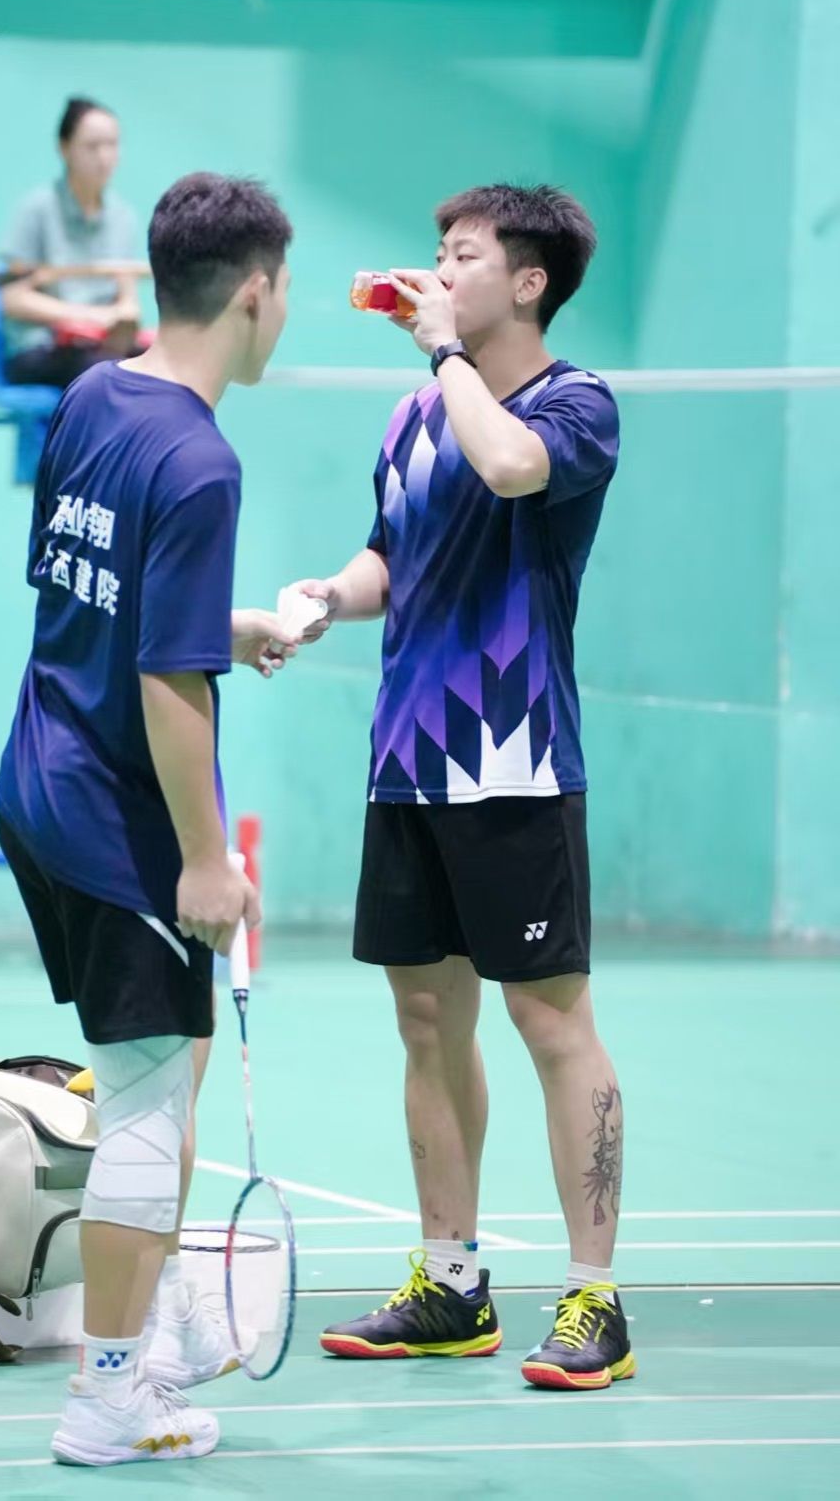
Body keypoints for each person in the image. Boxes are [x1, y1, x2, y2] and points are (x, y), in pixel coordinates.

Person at [297, 184, 632, 1391]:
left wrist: (445, 354)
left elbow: (511, 468)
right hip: (408, 758)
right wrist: (323, 600)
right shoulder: (410, 416)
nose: (436, 271)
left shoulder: (574, 404)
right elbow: (392, 553)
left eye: (464, 255)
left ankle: (595, 1299)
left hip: (516, 757)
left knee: (551, 1022)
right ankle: (451, 1284)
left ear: (529, 282)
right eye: (435, 253)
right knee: (428, 1021)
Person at [0, 172, 300, 1466]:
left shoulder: (93, 393)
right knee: (145, 1100)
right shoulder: (202, 460)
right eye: (285, 288)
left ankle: (155, 1333)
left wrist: (223, 622)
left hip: (35, 779)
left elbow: (89, 592)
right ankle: (108, 1392)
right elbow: (169, 683)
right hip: (116, 817)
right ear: (254, 292)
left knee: (158, 1071)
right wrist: (204, 860)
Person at [0, 96, 150, 388]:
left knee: (163, 371)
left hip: (100, 347)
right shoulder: (36, 209)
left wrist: (126, 319)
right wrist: (90, 318)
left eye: (112, 145)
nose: (104, 156)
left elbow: (127, 299)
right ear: (64, 148)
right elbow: (12, 299)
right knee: (103, 374)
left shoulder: (123, 217)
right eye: (92, 146)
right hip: (41, 347)